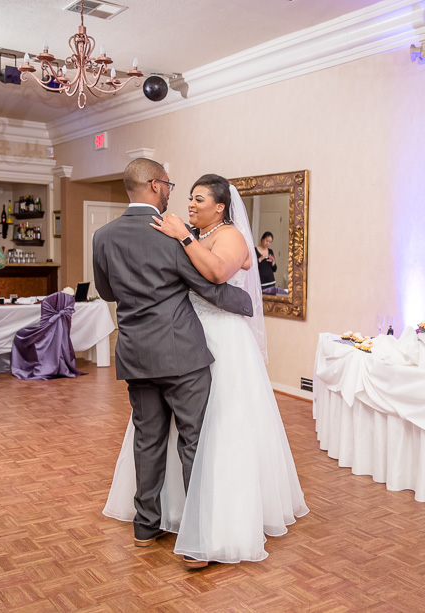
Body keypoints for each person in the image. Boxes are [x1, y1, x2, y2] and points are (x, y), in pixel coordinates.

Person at [103, 171, 308, 567]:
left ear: (221, 206)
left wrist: (182, 236)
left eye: (199, 199)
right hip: (187, 339)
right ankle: (172, 515)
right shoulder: (191, 237)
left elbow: (215, 275)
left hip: (218, 342)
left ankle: (210, 527)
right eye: (190, 198)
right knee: (175, 433)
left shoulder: (227, 235)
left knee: (212, 432)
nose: (191, 204)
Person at [94, 160, 257, 569]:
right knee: (193, 441)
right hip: (182, 353)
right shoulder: (171, 234)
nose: (172, 192)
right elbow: (208, 284)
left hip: (134, 352)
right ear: (154, 186)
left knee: (147, 439)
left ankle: (145, 528)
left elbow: (108, 290)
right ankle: (197, 540)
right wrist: (245, 303)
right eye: (168, 184)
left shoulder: (103, 237)